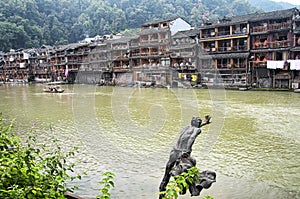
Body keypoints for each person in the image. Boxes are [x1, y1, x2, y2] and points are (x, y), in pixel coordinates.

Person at [159, 116, 211, 198]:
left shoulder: (186, 128)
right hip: (183, 152)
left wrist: (205, 123)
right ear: (196, 123)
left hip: (174, 151)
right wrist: (186, 150)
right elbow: (192, 137)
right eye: (199, 122)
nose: (200, 123)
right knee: (190, 171)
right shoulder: (197, 130)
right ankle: (193, 190)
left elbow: (191, 131)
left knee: (167, 174)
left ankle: (161, 193)